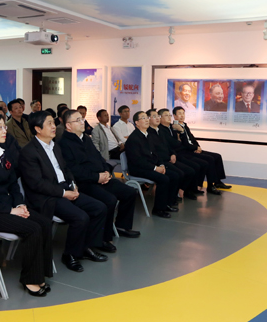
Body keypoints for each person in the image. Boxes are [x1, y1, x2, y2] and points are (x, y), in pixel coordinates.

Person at [0, 112, 53, 297]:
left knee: (45, 223)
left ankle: (40, 273)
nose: (4, 130)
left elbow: (13, 183)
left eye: (4, 126)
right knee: (33, 229)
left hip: (10, 207)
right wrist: (10, 210)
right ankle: (30, 279)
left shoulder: (4, 153)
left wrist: (20, 204)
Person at [18, 111, 109, 272]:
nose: (54, 126)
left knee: (99, 208)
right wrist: (63, 193)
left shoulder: (55, 146)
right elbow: (37, 184)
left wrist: (73, 185)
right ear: (38, 129)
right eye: (49, 124)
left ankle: (86, 247)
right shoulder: (29, 152)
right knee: (80, 217)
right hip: (47, 197)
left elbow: (66, 169)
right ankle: (70, 255)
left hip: (65, 189)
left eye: (53, 123)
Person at [59, 109, 140, 243]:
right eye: (78, 120)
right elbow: (74, 170)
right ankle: (103, 238)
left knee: (129, 192)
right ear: (68, 125)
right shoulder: (64, 144)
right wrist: (97, 177)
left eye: (82, 119)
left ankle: (121, 226)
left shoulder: (86, 138)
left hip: (101, 178)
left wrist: (106, 171)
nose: (82, 122)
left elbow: (99, 158)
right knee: (109, 200)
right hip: (84, 183)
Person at [125, 111, 180, 218]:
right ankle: (158, 209)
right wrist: (155, 168)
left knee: (174, 175)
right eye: (143, 118)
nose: (146, 120)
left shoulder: (148, 135)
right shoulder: (134, 139)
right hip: (138, 169)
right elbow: (137, 161)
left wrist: (161, 165)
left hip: (149, 166)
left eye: (147, 118)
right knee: (164, 179)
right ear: (137, 122)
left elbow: (156, 153)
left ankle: (167, 204)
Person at [172, 107, 232, 194]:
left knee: (217, 156)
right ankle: (210, 185)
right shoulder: (175, 128)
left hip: (194, 148)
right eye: (179, 113)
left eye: (183, 113)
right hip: (188, 151)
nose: (182, 115)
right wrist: (195, 148)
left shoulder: (185, 125)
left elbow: (192, 138)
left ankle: (218, 182)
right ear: (174, 116)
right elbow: (184, 144)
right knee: (210, 159)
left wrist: (198, 147)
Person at [147, 108, 198, 200]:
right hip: (161, 161)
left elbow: (169, 145)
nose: (157, 118)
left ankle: (178, 193)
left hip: (170, 156)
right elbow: (172, 144)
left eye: (158, 116)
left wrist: (173, 154)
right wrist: (162, 163)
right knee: (177, 174)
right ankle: (172, 197)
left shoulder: (162, 130)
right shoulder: (150, 133)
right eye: (155, 116)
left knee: (190, 170)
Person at [157, 108, 206, 193]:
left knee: (199, 165)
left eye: (169, 115)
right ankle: (184, 190)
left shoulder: (173, 127)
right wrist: (179, 141)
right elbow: (173, 143)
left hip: (178, 152)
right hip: (173, 155)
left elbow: (183, 140)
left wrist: (181, 134)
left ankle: (191, 189)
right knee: (192, 168)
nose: (169, 117)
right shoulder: (160, 130)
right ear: (160, 117)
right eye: (166, 115)